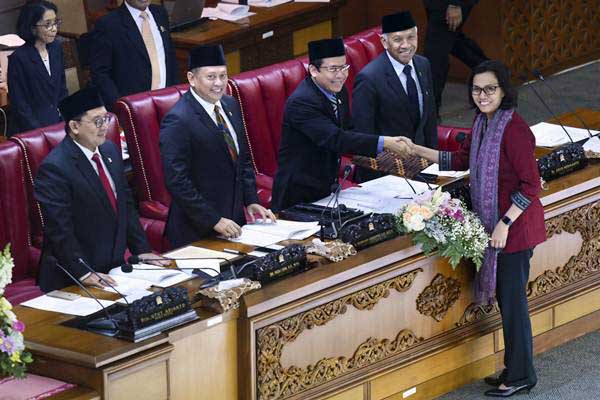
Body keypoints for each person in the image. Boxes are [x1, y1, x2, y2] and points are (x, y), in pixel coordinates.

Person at [406, 60, 545, 397]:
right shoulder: (483, 123)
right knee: (507, 301)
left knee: (513, 304)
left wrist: (504, 223)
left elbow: (531, 185)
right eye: (477, 89)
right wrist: (417, 151)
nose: (482, 95)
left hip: (514, 232)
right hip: (497, 228)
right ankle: (514, 369)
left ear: (503, 91)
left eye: (489, 89)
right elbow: (460, 160)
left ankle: (523, 375)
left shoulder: (513, 130)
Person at [35, 87, 165, 292]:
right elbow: (60, 230)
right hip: (74, 276)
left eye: (106, 119)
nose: (104, 126)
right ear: (75, 126)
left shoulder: (109, 151)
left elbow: (126, 206)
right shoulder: (55, 168)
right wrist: (83, 272)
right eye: (97, 121)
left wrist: (142, 251)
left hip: (111, 269)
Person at [271, 38, 413, 211]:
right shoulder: (302, 102)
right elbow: (336, 138)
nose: (341, 75)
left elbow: (349, 129)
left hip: (326, 186)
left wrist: (386, 145)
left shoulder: (338, 91)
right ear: (314, 70)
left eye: (344, 67)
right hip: (298, 192)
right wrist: (384, 142)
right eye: (333, 69)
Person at [160, 45, 275, 248]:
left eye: (223, 76)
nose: (219, 83)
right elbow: (177, 181)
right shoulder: (178, 120)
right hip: (196, 231)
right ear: (192, 78)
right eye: (211, 77)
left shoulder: (230, 104)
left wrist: (251, 199)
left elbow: (243, 159)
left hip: (234, 224)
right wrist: (214, 219)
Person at [352, 10, 437, 182]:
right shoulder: (369, 78)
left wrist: (434, 163)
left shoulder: (423, 64)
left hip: (422, 168)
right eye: (398, 39)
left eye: (411, 37)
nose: (406, 45)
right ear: (384, 42)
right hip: (385, 174)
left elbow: (430, 120)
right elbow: (364, 137)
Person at [89, 0, 179, 109]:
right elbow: (100, 74)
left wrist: (175, 93)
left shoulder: (160, 13)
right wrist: (121, 107)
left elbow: (170, 56)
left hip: (167, 100)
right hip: (135, 107)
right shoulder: (108, 24)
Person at [7, 0, 67, 136]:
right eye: (47, 24)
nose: (54, 28)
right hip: (32, 131)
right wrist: (40, 132)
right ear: (32, 27)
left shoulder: (56, 48)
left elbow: (62, 88)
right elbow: (20, 105)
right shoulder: (19, 58)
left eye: (55, 22)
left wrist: (65, 118)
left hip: (58, 124)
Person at [423, 0, 488, 113]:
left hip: (449, 4)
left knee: (435, 52)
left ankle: (430, 113)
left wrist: (455, 3)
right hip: (436, 4)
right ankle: (493, 72)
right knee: (454, 42)